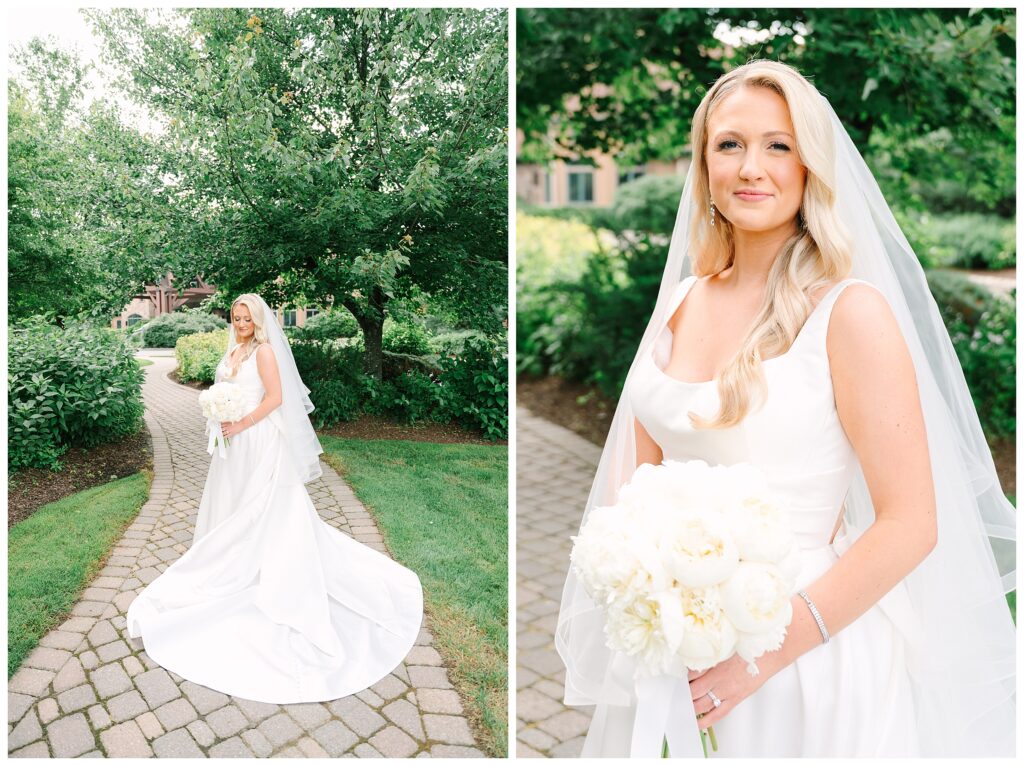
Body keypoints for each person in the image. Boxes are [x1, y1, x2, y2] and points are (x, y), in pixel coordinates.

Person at [555, 60, 1015, 757]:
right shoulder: (680, 301)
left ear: (810, 167)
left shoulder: (850, 313)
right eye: (729, 144)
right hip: (671, 644)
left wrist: (763, 656)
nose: (752, 167)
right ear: (704, 164)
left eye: (779, 145)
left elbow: (913, 523)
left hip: (805, 655)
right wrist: (647, 597)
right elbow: (633, 489)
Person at [127, 294, 423, 704]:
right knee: (232, 505)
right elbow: (224, 389)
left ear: (260, 320)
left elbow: (275, 399)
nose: (242, 322)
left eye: (247, 317)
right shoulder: (233, 348)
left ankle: (262, 568)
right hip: (232, 444)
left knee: (262, 509)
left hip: (258, 441)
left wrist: (240, 422)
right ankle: (227, 562)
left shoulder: (265, 352)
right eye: (236, 317)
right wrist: (217, 412)